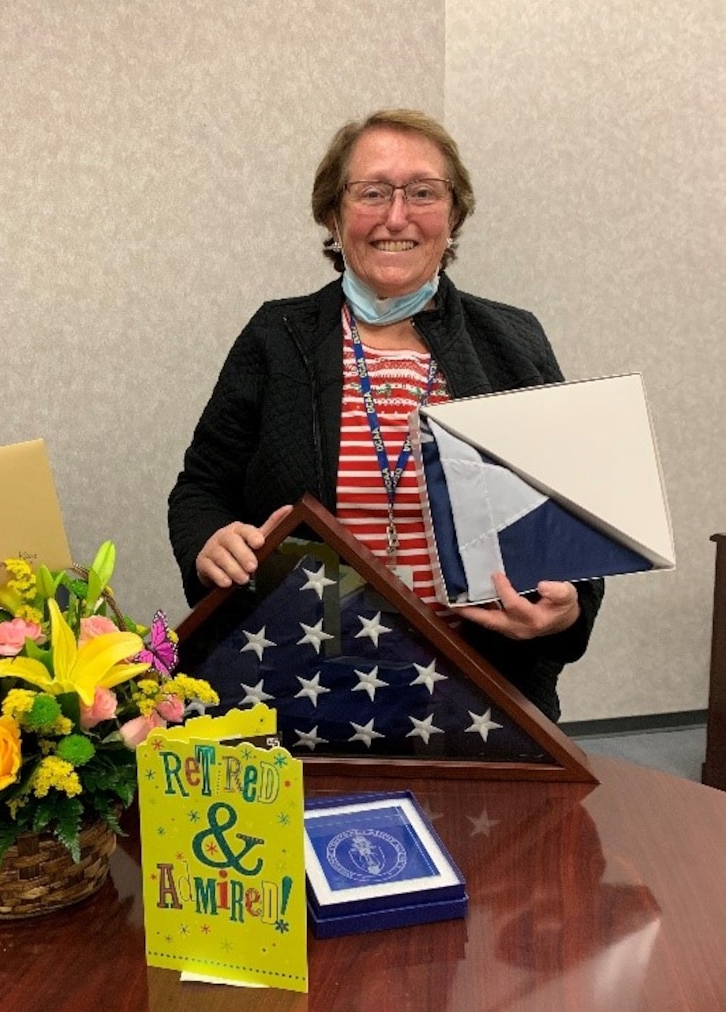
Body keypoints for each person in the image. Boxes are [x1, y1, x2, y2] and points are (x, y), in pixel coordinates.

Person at [168, 109, 603, 721]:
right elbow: (201, 489)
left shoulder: (511, 339)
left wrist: (570, 605)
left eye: (423, 192)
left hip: (478, 681)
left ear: (453, 216)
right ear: (333, 214)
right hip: (298, 678)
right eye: (372, 192)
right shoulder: (278, 336)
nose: (396, 216)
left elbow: (570, 519)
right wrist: (208, 542)